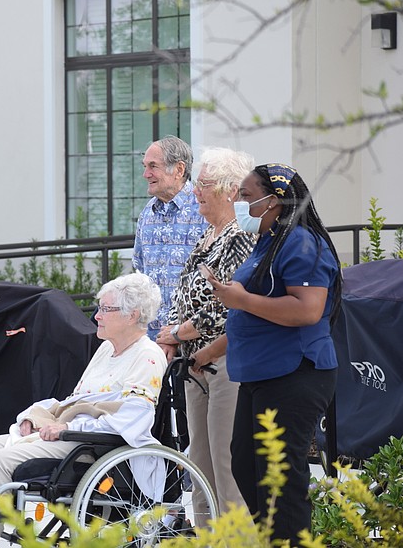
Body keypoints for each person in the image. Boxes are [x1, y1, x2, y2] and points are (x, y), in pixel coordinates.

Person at [0, 273, 168, 548]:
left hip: (92, 446)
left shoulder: (147, 356)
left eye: (105, 309)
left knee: (0, 461)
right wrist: (35, 416)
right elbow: (74, 401)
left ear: (132, 315)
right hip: (69, 436)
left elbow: (133, 419)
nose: (97, 316)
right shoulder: (106, 350)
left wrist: (67, 428)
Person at [192, 164, 341, 543]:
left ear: (272, 200)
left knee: (280, 479)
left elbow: (307, 310)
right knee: (245, 466)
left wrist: (240, 298)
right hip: (259, 375)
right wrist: (208, 352)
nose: (237, 201)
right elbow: (249, 313)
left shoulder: (302, 242)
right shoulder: (268, 239)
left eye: (244, 194)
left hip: (295, 374)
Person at [154, 147, 256, 525]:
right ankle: (206, 536)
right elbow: (184, 295)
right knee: (198, 463)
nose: (195, 190)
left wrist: (176, 334)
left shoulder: (241, 238)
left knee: (225, 462)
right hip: (193, 363)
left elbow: (226, 307)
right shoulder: (206, 237)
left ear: (230, 191)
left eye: (204, 184)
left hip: (225, 361)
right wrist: (174, 337)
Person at [133, 136, 206, 340]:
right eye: (145, 166)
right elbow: (140, 270)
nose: (145, 174)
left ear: (179, 170)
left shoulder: (205, 208)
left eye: (153, 166)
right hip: (152, 337)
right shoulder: (147, 213)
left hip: (193, 337)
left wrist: (178, 333)